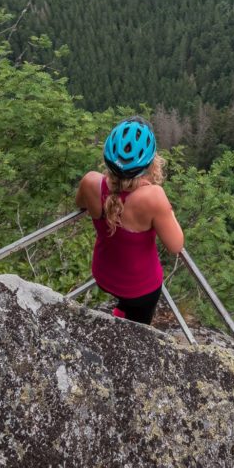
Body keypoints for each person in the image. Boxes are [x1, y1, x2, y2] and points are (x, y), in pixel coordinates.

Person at [75, 116, 184, 324]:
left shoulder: (90, 182)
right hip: (140, 287)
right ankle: (127, 320)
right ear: (152, 163)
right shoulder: (153, 197)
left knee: (123, 300)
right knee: (138, 327)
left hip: (103, 273)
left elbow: (80, 204)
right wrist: (167, 211)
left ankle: (120, 311)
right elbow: (176, 245)